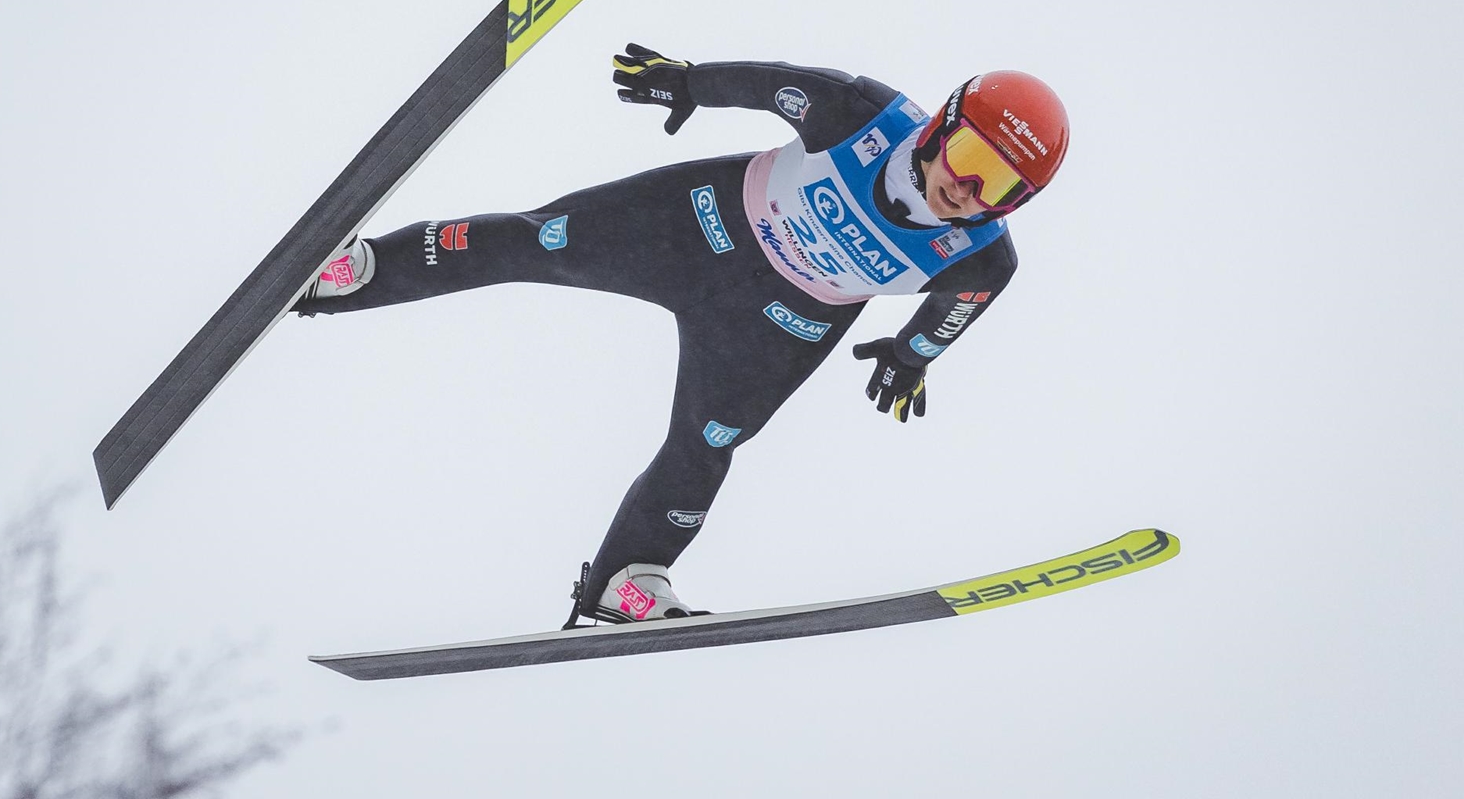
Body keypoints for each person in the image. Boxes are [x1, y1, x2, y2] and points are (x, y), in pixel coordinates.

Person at [294, 45, 1070, 626]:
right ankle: (361, 271)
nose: (966, 190)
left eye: (999, 188)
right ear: (941, 125)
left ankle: (627, 580)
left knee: (707, 439)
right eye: (970, 158)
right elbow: (776, 87)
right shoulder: (861, 114)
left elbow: (953, 310)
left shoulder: (980, 256)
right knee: (539, 241)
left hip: (780, 321)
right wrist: (688, 83)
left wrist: (911, 358)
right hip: (700, 224)